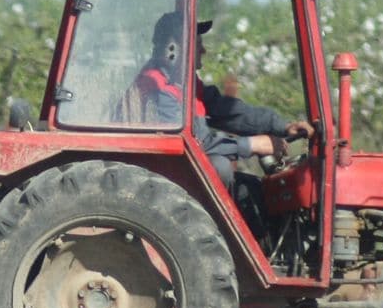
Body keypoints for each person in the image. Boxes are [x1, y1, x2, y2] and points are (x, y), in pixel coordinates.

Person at [127, 11, 309, 189]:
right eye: (197, 44)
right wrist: (254, 144)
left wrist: (281, 126)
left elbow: (229, 112)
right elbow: (194, 144)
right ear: (174, 48)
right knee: (219, 167)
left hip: (174, 172)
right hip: (161, 176)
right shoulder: (157, 86)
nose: (203, 50)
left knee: (256, 190)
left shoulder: (184, 84)